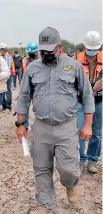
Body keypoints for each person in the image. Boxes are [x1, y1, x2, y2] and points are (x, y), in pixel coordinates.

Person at [16, 27, 94, 214]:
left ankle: (70, 184)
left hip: (66, 127)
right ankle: (44, 206)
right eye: (43, 50)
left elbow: (87, 95)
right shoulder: (33, 68)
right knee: (41, 169)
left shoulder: (73, 66)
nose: (47, 54)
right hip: (41, 126)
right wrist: (21, 124)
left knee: (67, 169)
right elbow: (24, 96)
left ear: (60, 47)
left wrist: (88, 125)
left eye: (50, 50)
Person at [76, 31, 102, 174]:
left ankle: (92, 160)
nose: (92, 53)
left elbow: (99, 84)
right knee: (79, 130)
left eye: (95, 49)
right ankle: (80, 159)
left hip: (98, 100)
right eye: (89, 49)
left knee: (97, 132)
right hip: (79, 101)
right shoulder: (76, 59)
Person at [21, 42, 39, 129]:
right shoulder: (25, 60)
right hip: (28, 85)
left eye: (32, 53)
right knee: (25, 106)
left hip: (38, 87)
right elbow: (24, 74)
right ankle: (25, 125)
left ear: (37, 52)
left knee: (38, 107)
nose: (31, 54)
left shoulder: (41, 61)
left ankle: (38, 124)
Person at [0, 43, 15, 111]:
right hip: (1, 76)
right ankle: (4, 105)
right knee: (2, 91)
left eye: (4, 50)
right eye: (2, 50)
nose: (3, 51)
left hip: (8, 75)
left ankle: (8, 105)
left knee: (8, 90)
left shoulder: (9, 57)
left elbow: (8, 67)